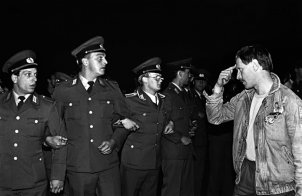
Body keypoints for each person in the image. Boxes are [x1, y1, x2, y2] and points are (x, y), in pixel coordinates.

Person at [204, 45, 301, 196]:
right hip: (245, 177)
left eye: (241, 69)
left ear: (255, 65)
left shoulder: (289, 101)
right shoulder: (243, 98)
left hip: (277, 185)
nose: (237, 76)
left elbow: (300, 152)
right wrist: (218, 87)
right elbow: (215, 117)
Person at [52, 36, 139, 196]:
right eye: (100, 58)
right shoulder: (63, 91)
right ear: (85, 62)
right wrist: (57, 173)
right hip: (78, 168)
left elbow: (124, 122)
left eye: (105, 58)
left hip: (108, 167)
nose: (105, 62)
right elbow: (57, 131)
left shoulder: (112, 88)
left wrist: (113, 141)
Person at [0, 50, 67, 195]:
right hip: (3, 181)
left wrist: (57, 176)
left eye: (35, 74)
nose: (34, 79)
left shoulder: (47, 106)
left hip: (33, 183)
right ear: (14, 78)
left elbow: (61, 142)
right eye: (28, 74)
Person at [120, 57, 172, 196]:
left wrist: (170, 122)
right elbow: (112, 120)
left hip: (154, 163)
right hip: (133, 163)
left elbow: (166, 117)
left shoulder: (164, 100)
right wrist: (123, 120)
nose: (161, 79)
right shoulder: (130, 100)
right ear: (144, 79)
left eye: (161, 76)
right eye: (156, 77)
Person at [161, 58, 195, 196]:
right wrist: (180, 137)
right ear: (180, 74)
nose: (189, 76)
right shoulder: (168, 94)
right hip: (173, 152)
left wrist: (189, 128)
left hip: (184, 150)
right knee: (172, 190)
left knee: (185, 189)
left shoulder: (182, 93)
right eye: (187, 73)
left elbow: (179, 119)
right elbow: (162, 123)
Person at [190, 68, 210, 196]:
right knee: (195, 175)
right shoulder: (190, 96)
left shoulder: (206, 97)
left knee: (202, 174)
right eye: (198, 81)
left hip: (205, 140)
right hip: (194, 141)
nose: (201, 84)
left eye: (203, 81)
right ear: (194, 82)